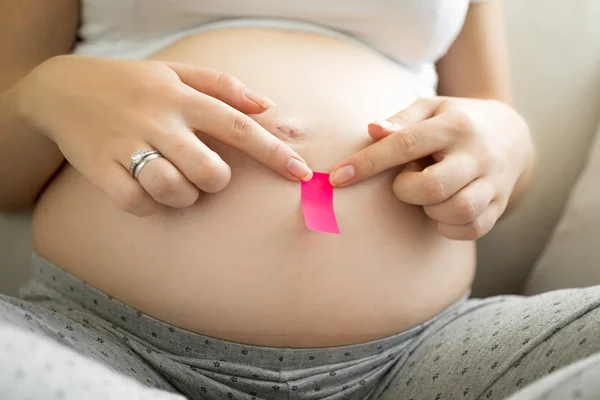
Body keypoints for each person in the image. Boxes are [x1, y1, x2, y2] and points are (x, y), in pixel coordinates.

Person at [0, 0, 599, 399]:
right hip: (101, 344)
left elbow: (500, 150)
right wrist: (43, 94)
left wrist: (504, 141)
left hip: (430, 362)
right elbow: (8, 182)